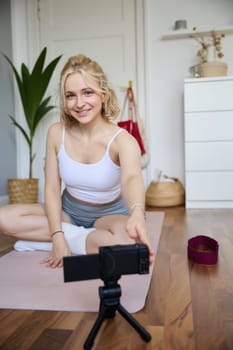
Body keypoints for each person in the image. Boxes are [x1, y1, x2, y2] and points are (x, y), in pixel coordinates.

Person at [0, 54, 154, 268]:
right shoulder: (56, 133)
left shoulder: (123, 141)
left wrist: (137, 213)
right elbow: (53, 188)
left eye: (87, 92)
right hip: (67, 213)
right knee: (3, 218)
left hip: (109, 215)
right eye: (71, 96)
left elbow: (131, 179)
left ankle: (60, 240)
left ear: (104, 93)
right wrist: (57, 234)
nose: (79, 103)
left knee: (128, 243)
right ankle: (66, 238)